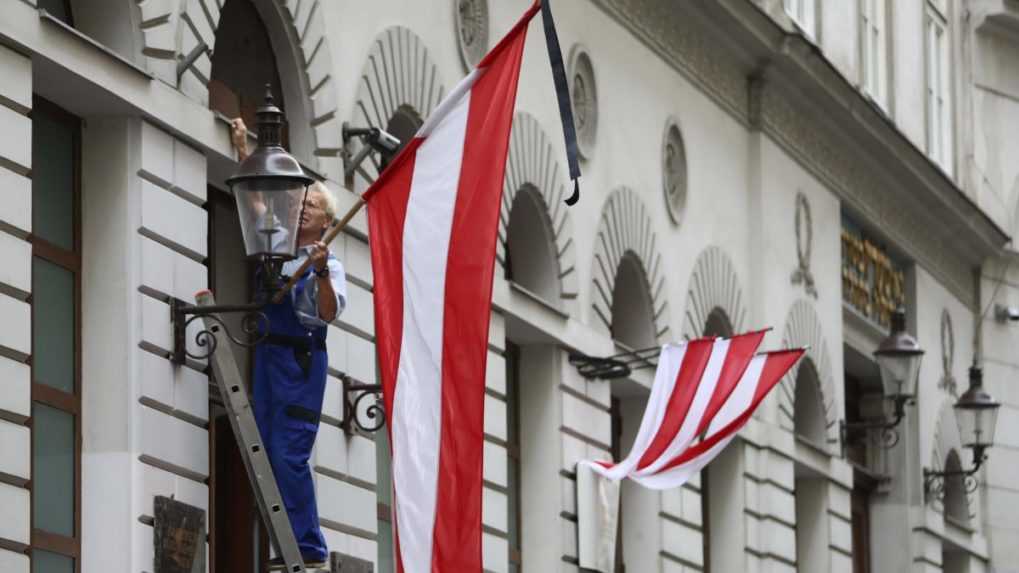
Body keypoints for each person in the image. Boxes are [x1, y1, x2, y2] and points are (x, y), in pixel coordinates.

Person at [232, 118, 346, 569]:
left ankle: (309, 549)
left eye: (313, 205)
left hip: (300, 363)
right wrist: (243, 148)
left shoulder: (329, 263)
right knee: (262, 446)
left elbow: (329, 312)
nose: (303, 208)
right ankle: (283, 544)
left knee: (288, 453)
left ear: (326, 221)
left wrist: (317, 271)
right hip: (268, 355)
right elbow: (256, 206)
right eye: (303, 200)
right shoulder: (280, 245)